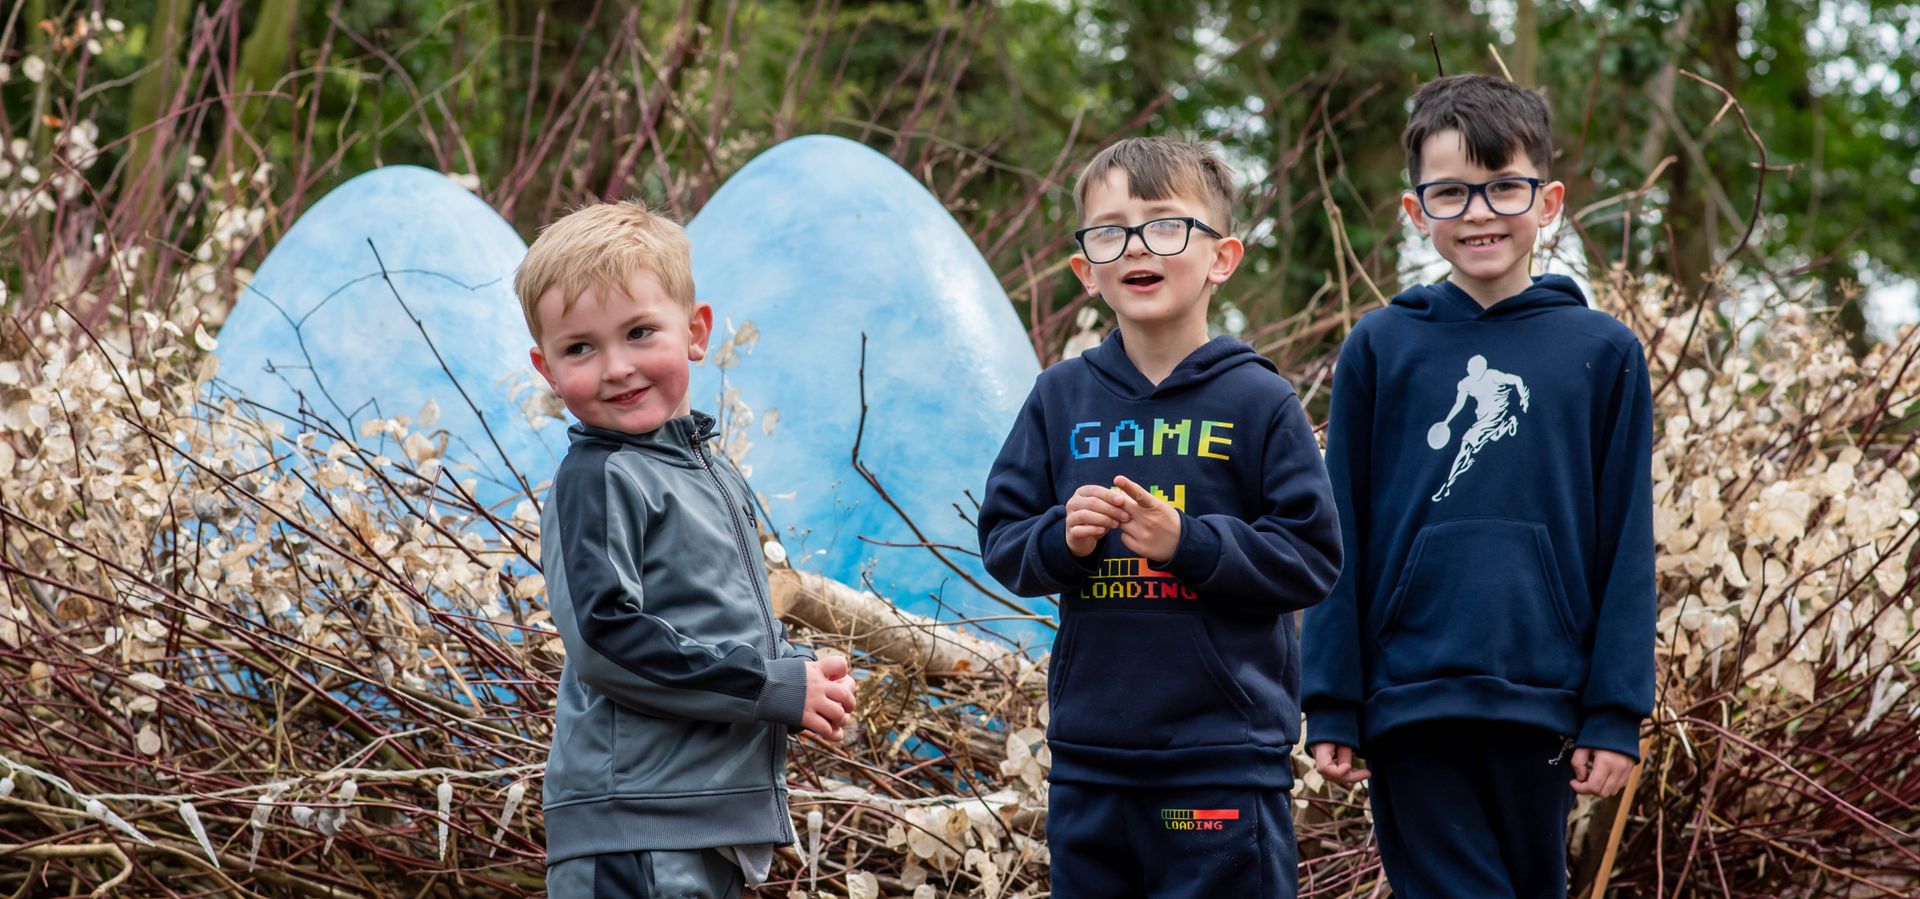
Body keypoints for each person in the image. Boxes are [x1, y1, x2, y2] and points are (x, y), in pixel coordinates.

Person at [1302, 73, 1656, 899]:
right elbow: (1338, 530)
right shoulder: (1380, 346)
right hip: (1409, 695)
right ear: (1415, 210)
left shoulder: (1602, 353)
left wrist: (1614, 708)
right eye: (1452, 192)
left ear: (1549, 199)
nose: (1480, 212)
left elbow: (1625, 541)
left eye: (1504, 187)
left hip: (1547, 693)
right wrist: (1332, 698)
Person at [978, 137, 1342, 898]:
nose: (1137, 246)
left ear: (1222, 257)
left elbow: (1312, 554)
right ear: (1086, 269)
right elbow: (1005, 540)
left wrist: (1191, 543)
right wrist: (1063, 539)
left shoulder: (1259, 402)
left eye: (1166, 226)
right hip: (1091, 759)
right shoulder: (1060, 397)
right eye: (1110, 230)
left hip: (1221, 759)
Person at [517, 201, 858, 899]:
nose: (616, 367)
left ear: (696, 331)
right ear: (545, 367)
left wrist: (793, 672)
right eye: (580, 348)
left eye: (640, 332)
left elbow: (703, 624)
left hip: (689, 820)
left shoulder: (706, 468)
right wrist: (767, 687)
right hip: (636, 828)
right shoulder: (598, 476)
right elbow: (608, 637)